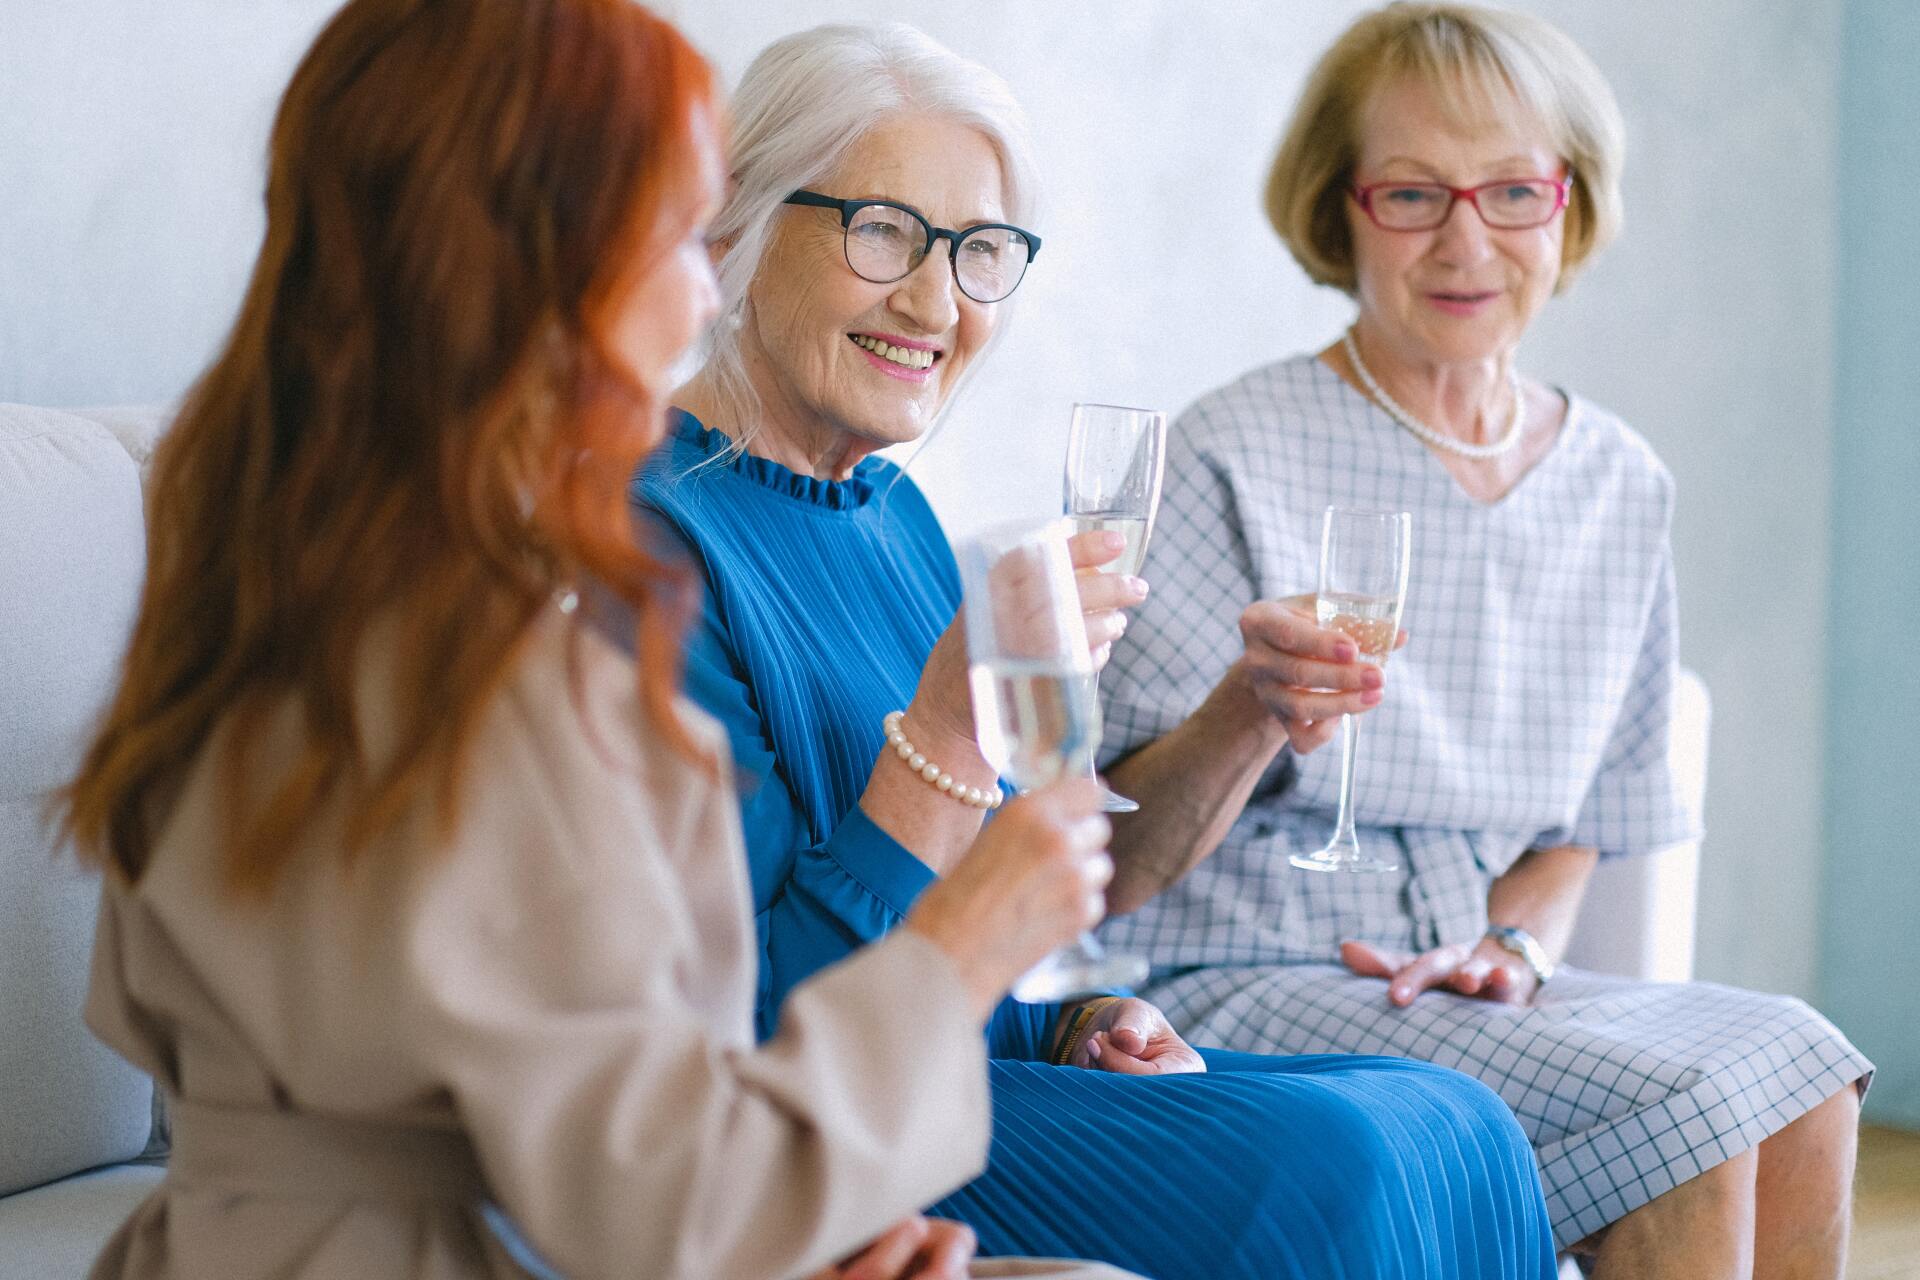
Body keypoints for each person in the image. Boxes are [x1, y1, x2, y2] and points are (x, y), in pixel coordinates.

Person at [59, 3, 1146, 1277]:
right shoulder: (505, 653)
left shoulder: (267, 561)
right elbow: (659, 1202)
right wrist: (969, 941)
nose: (706, 291)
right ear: (538, 260)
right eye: (683, 236)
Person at [637, 21, 1558, 1280]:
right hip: (809, 1121)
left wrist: (1078, 1017)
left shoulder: (896, 516)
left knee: (1460, 1118)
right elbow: (746, 1022)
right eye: (883, 231)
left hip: (975, 1064)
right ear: (739, 223)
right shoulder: (650, 541)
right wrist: (950, 731)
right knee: (1337, 1162)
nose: (934, 300)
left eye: (978, 253)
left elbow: (992, 905)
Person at [1093, 4, 1872, 1276]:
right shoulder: (1235, 446)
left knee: (1802, 1064)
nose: (1467, 240)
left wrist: (1511, 945)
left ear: (1567, 209)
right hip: (1238, 972)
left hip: (1460, 981)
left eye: (1513, 190)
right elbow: (1116, 861)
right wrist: (1249, 706)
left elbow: (1590, 817)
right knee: (1692, 1113)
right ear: (1339, 208)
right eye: (1411, 193)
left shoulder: (1621, 481)